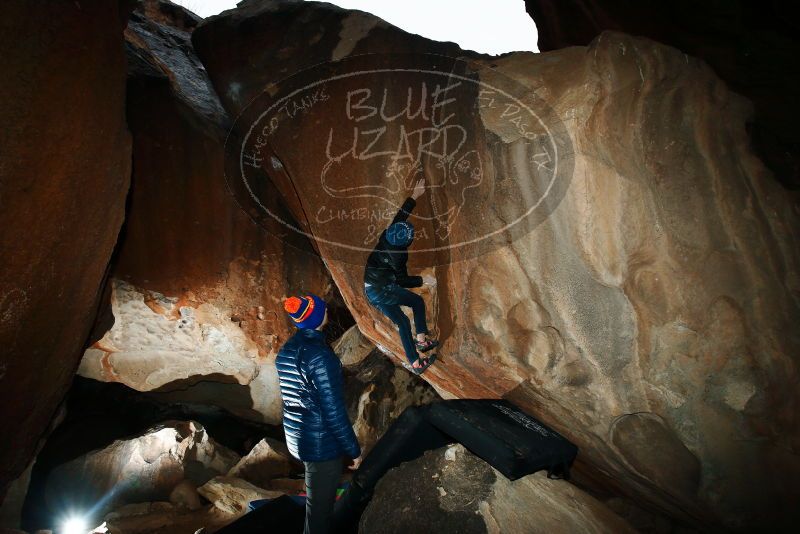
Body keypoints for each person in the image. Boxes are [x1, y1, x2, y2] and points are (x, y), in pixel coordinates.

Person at [276, 294, 362, 534]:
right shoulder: (321, 356)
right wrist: (353, 450)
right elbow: (333, 411)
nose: (327, 312)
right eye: (324, 310)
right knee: (319, 519)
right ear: (319, 317)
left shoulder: (287, 350)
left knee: (316, 505)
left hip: (298, 437)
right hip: (321, 444)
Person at [363, 178, 439, 374]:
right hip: (382, 289)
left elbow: (400, 216)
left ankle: (415, 362)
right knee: (416, 302)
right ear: (404, 243)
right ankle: (421, 342)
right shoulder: (397, 256)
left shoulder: (389, 234)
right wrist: (424, 281)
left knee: (403, 322)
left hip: (371, 289)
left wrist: (415, 195)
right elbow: (402, 280)